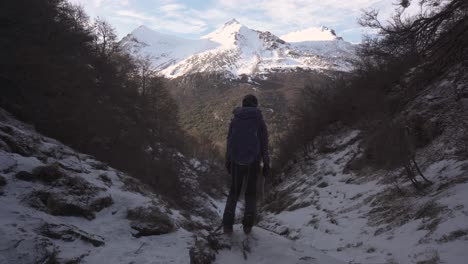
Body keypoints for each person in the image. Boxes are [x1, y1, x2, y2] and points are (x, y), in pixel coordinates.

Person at [223, 94, 270, 235]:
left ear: (243, 104)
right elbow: (264, 145)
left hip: (236, 161)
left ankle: (227, 226)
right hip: (253, 163)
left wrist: (228, 160)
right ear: (255, 105)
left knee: (233, 193)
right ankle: (247, 227)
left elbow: (229, 141)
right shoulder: (259, 121)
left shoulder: (235, 119)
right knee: (250, 194)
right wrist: (266, 163)